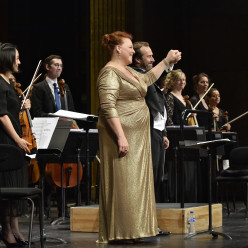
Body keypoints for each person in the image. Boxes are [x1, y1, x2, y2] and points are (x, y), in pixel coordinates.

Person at [97, 31, 181, 243]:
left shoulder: (126, 71)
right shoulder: (109, 73)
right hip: (122, 136)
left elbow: (148, 78)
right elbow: (107, 106)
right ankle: (121, 231)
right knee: (124, 183)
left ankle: (134, 230)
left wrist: (166, 61)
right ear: (117, 49)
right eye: (130, 47)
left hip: (138, 137)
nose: (133, 51)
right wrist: (121, 137)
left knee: (135, 183)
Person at [131, 41, 179, 204]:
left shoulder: (149, 75)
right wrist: (166, 61)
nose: (152, 59)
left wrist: (163, 132)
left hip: (156, 132)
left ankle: (151, 217)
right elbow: (151, 80)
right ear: (137, 60)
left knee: (157, 176)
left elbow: (159, 83)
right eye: (149, 56)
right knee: (149, 175)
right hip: (146, 132)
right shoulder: (137, 74)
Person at [30, 55, 76, 218]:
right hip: (47, 133)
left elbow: (70, 110)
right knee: (46, 174)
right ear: (47, 67)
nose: (59, 68)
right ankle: (45, 210)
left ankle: (63, 211)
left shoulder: (65, 87)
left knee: (63, 174)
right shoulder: (40, 87)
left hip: (64, 134)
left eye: (61, 65)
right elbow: (36, 112)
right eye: (56, 65)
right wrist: (56, 117)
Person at [0, 42, 31, 247]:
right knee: (7, 184)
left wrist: (23, 105)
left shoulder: (8, 83)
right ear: (7, 59)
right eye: (17, 58)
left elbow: (11, 110)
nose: (19, 61)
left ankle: (16, 228)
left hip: (14, 139)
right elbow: (2, 115)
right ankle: (6, 230)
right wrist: (18, 139)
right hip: (5, 140)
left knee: (16, 184)